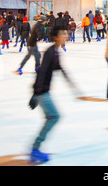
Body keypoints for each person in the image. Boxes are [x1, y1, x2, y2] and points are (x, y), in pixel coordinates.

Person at [28, 27, 79, 164]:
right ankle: (35, 149)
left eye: (66, 34)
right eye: (63, 35)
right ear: (55, 37)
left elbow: (60, 69)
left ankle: (35, 148)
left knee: (51, 117)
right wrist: (35, 93)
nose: (66, 37)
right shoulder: (51, 52)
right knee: (54, 116)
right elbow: (42, 72)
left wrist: (73, 86)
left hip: (43, 90)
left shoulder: (55, 51)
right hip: (42, 90)